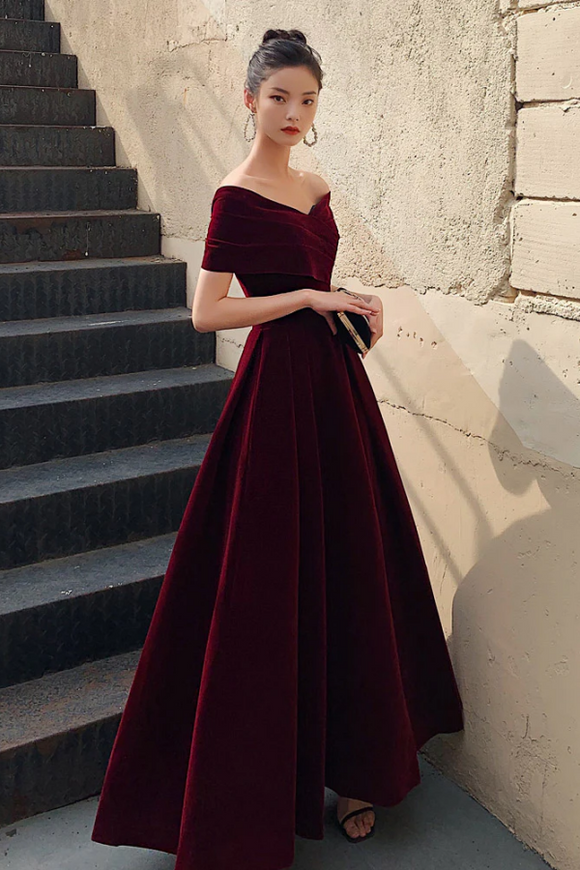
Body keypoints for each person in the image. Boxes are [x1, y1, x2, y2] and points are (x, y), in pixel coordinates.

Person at [91, 27, 464, 870]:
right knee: (269, 584)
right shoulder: (234, 197)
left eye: (307, 100)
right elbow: (207, 313)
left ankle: (359, 771)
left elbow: (320, 287)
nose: (293, 113)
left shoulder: (317, 187)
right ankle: (258, 788)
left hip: (335, 387)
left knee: (353, 569)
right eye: (279, 98)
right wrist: (303, 297)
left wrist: (355, 310)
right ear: (250, 100)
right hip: (275, 400)